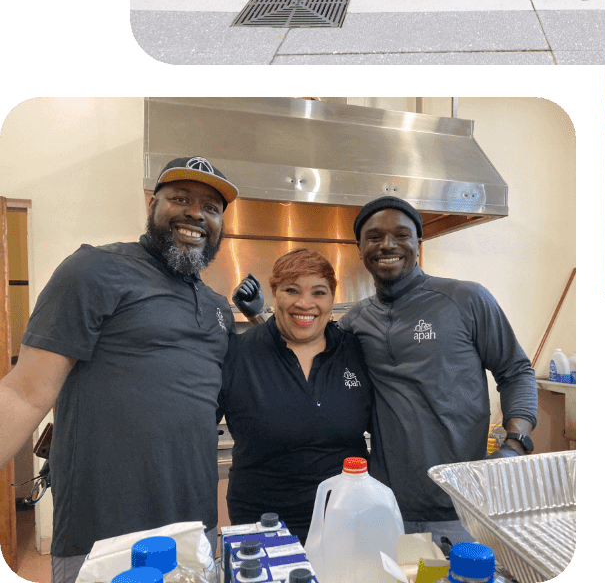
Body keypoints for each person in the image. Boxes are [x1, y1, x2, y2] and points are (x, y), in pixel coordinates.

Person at [0, 157, 239, 583]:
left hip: (190, 530)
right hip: (103, 536)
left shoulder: (219, 308)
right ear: (152, 204)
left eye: (211, 207)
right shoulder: (95, 270)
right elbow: (24, 393)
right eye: (180, 198)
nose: (196, 214)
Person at [337, 196, 538, 549]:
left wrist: (516, 442)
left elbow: (516, 371)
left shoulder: (467, 299)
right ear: (359, 248)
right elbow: (306, 362)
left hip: (462, 508)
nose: (387, 245)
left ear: (418, 243)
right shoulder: (355, 321)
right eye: (374, 236)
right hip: (384, 507)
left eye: (401, 235)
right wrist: (264, 316)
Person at [221, 249, 373, 543]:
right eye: (292, 290)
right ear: (274, 293)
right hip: (262, 523)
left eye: (319, 292)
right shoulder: (239, 353)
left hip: (347, 520)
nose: (306, 303)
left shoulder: (355, 350)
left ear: (331, 299)